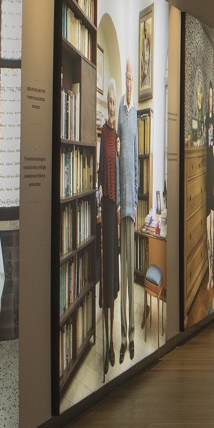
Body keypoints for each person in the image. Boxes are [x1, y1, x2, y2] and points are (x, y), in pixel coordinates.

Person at [97, 79, 120, 363]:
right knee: (105, 281)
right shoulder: (104, 134)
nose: (112, 106)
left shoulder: (120, 134)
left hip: (116, 213)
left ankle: (113, 342)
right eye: (109, 102)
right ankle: (106, 346)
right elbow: (101, 175)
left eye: (115, 102)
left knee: (113, 282)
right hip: (105, 210)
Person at [118, 61, 138, 359]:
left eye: (133, 76)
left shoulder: (135, 114)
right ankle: (122, 336)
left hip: (132, 205)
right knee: (121, 275)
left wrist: (133, 198)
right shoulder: (120, 111)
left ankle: (132, 334)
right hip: (119, 203)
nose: (130, 80)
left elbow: (134, 161)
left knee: (132, 275)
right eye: (128, 76)